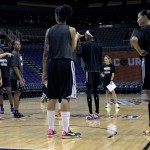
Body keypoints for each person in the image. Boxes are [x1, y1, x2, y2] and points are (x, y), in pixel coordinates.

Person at [42, 4, 82, 138]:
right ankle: (65, 130)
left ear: (57, 16)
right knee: (65, 96)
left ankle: (50, 129)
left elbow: (45, 52)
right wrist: (76, 38)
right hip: (65, 62)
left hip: (52, 63)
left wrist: (44, 71)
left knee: (51, 96)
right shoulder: (71, 30)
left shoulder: (49, 30)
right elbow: (72, 49)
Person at [130, 10, 150, 133]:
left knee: (149, 93)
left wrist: (139, 51)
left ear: (144, 17)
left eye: (138, 17)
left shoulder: (143, 29)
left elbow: (133, 40)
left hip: (148, 61)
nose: (137, 20)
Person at [78, 30, 102, 120]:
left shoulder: (85, 44)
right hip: (97, 70)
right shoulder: (99, 45)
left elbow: (82, 56)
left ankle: (91, 113)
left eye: (86, 34)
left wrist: (78, 41)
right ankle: (97, 113)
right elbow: (100, 59)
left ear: (90, 36)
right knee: (95, 91)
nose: (85, 36)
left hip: (89, 69)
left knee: (88, 90)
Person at [10, 40, 25, 118]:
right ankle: (16, 112)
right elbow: (15, 67)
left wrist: (22, 78)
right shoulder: (15, 54)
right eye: (17, 44)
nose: (19, 46)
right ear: (13, 46)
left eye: (19, 44)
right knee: (17, 93)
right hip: (15, 77)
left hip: (18, 77)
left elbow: (19, 68)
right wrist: (20, 79)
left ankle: (17, 111)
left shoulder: (18, 54)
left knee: (18, 94)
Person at [0, 48, 14, 114]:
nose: (0, 51)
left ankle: (12, 107)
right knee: (0, 93)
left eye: (1, 50)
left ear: (3, 51)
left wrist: (8, 75)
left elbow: (10, 68)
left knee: (9, 92)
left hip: (6, 77)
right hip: (0, 78)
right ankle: (1, 107)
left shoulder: (7, 59)